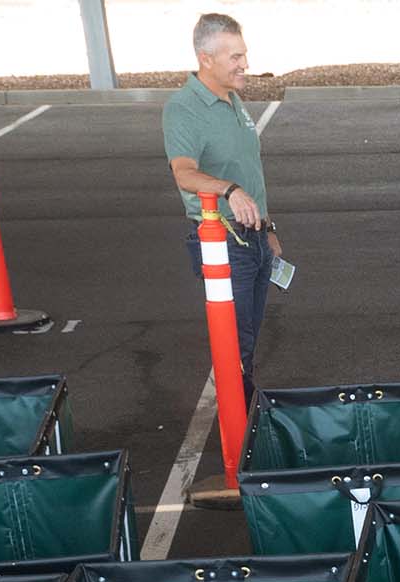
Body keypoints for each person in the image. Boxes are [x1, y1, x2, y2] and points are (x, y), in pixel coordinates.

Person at [163, 12, 277, 397]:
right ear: (205, 59)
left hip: (255, 239)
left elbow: (249, 169)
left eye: (243, 54)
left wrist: (269, 227)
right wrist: (230, 190)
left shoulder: (231, 98)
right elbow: (184, 173)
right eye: (235, 57)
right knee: (235, 347)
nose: (245, 64)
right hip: (226, 245)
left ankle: (244, 420)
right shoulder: (184, 109)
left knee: (246, 341)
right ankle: (239, 433)